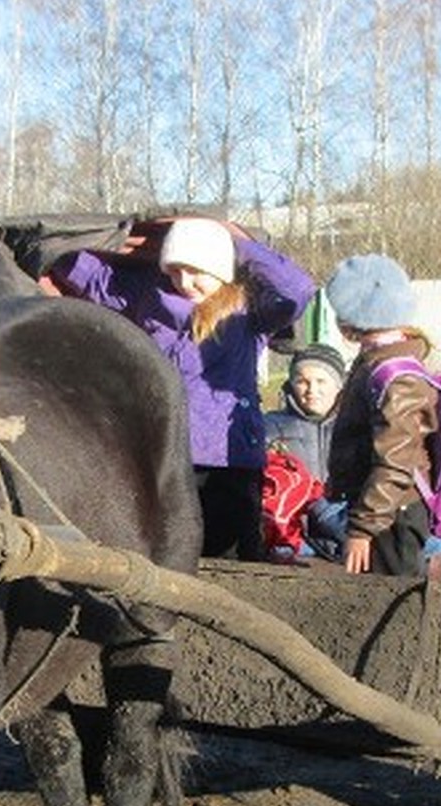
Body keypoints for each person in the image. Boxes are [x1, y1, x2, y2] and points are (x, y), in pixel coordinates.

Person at [49, 217, 315, 559]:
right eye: (174, 270)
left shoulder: (249, 311)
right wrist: (93, 237)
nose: (184, 282)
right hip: (163, 451)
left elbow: (298, 290)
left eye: (195, 271)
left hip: (228, 461)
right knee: (164, 557)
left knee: (231, 563)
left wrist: (236, 245)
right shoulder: (147, 296)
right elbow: (81, 270)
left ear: (220, 268)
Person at [322, 253, 441, 577]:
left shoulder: (396, 377)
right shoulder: (378, 361)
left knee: (387, 610)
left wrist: (364, 529)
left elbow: (396, 461)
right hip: (384, 509)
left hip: (391, 516)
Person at [262, 343, 348, 561]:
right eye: (302, 381)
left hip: (344, 541)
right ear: (291, 384)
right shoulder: (269, 427)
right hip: (292, 543)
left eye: (321, 381)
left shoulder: (355, 428)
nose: (312, 391)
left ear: (339, 386)